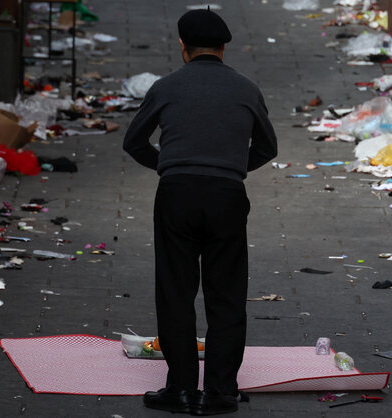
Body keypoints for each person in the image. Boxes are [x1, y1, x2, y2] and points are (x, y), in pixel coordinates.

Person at [122, 8, 277, 416]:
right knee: (226, 294)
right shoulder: (246, 88)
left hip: (176, 194)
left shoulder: (166, 86)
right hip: (227, 195)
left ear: (182, 47)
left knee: (176, 290)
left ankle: (182, 389)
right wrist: (230, 166)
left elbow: (134, 142)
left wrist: (169, 164)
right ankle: (220, 391)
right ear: (224, 47)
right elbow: (267, 147)